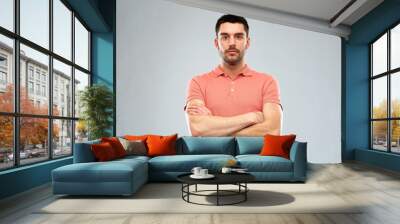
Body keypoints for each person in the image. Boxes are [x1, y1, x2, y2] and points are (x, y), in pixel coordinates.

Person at [185, 14, 282, 137]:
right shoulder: (198, 82)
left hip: (252, 156)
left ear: (247, 42)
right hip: (212, 157)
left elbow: (273, 131)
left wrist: (215, 130)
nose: (232, 43)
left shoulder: (267, 82)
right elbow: (198, 128)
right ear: (216, 43)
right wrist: (252, 117)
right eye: (225, 37)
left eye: (238, 37)